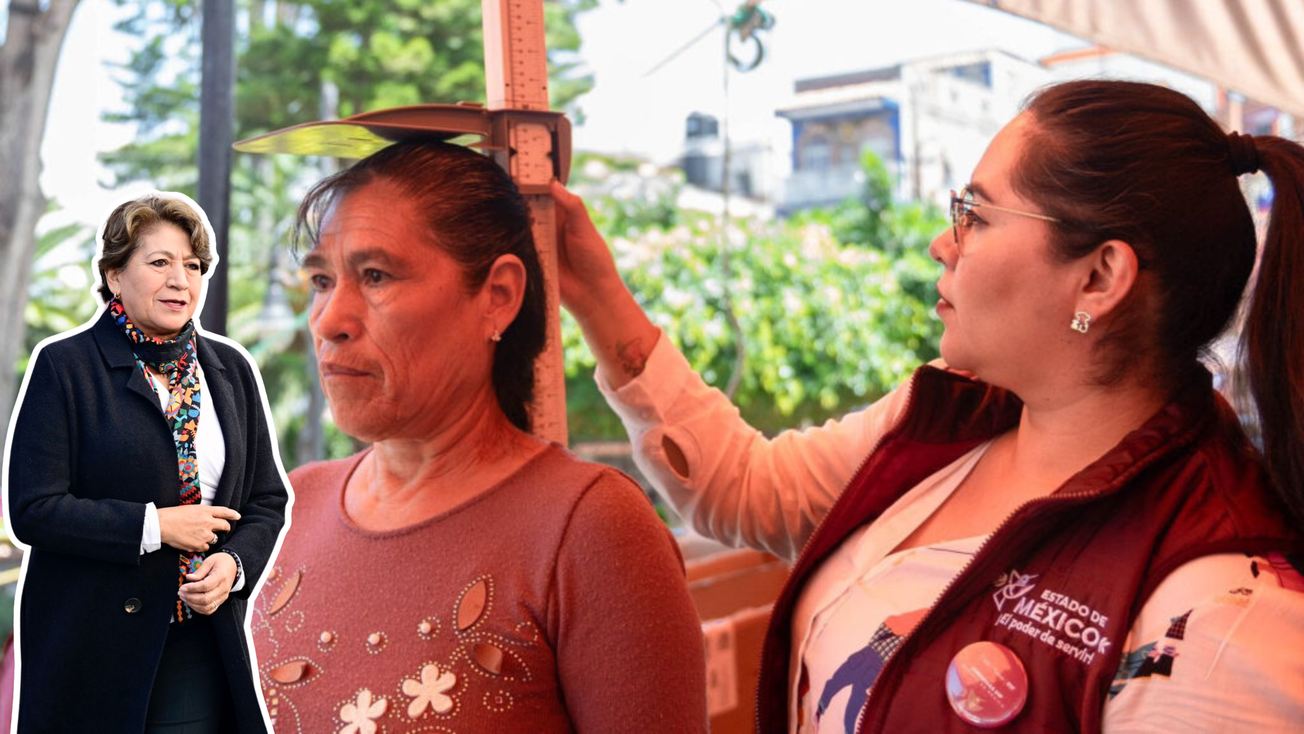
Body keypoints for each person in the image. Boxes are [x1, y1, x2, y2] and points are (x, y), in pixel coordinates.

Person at [553, 79, 1304, 732]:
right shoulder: (952, 419)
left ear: (1100, 278)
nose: (943, 245)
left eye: (976, 215)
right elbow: (751, 491)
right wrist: (594, 293)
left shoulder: (1224, 614)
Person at [249, 139, 707, 733]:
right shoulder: (286, 510)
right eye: (320, 280)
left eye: (376, 275)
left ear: (498, 296)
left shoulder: (592, 532)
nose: (329, 320)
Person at [5, 193, 291, 733]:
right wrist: (154, 526)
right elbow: (33, 509)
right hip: (90, 648)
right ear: (114, 275)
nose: (181, 280)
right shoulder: (65, 367)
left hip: (199, 642)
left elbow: (265, 500)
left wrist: (234, 567)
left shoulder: (230, 369)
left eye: (193, 265)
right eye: (160, 262)